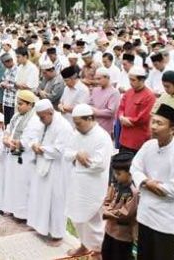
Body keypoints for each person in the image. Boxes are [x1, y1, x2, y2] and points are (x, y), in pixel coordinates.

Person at [131, 104, 174, 260]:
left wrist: (148, 185)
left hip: (165, 220)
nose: (153, 127)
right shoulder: (148, 146)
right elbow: (134, 168)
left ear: (172, 129)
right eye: (153, 122)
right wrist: (147, 182)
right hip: (145, 215)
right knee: (144, 255)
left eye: (159, 123)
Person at [64, 104, 113, 258]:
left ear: (90, 118)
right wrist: (77, 154)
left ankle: (99, 251)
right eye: (75, 123)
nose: (76, 127)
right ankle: (84, 245)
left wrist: (81, 160)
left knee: (93, 219)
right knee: (78, 218)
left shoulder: (102, 137)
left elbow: (100, 164)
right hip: (77, 182)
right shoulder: (76, 133)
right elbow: (66, 153)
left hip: (94, 184)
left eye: (79, 123)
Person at [27, 98, 74, 242]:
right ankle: (40, 226)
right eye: (39, 118)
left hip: (58, 170)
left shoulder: (63, 126)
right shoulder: (43, 122)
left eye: (43, 117)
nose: (41, 121)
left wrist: (40, 149)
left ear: (51, 112)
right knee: (40, 197)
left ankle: (57, 235)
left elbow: (60, 150)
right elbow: (34, 136)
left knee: (56, 201)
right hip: (43, 165)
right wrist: (34, 144)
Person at [0, 90, 40, 219]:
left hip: (24, 157)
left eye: (21, 104)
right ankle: (12, 209)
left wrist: (13, 143)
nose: (18, 106)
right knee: (11, 183)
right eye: (17, 103)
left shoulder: (34, 119)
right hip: (12, 155)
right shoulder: (16, 116)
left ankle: (23, 214)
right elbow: (8, 129)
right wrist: (5, 138)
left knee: (22, 186)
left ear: (30, 105)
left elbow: (28, 139)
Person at [101, 152, 138, 260]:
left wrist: (107, 213)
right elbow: (108, 199)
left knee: (120, 256)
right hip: (109, 229)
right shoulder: (116, 184)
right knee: (106, 253)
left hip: (123, 234)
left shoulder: (134, 192)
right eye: (114, 173)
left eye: (118, 173)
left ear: (130, 173)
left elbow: (126, 213)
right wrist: (104, 207)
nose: (116, 176)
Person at [117, 66, 156, 154]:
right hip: (124, 138)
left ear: (141, 80)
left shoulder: (149, 96)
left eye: (133, 80)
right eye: (129, 79)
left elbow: (144, 117)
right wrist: (121, 117)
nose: (130, 83)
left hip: (139, 139)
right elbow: (121, 107)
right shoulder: (128, 92)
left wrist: (128, 120)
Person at [89, 67, 121, 135]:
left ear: (107, 78)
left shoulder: (114, 92)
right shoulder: (95, 90)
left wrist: (95, 112)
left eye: (99, 79)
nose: (97, 81)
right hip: (93, 125)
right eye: (96, 79)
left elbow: (111, 112)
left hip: (106, 128)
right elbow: (90, 103)